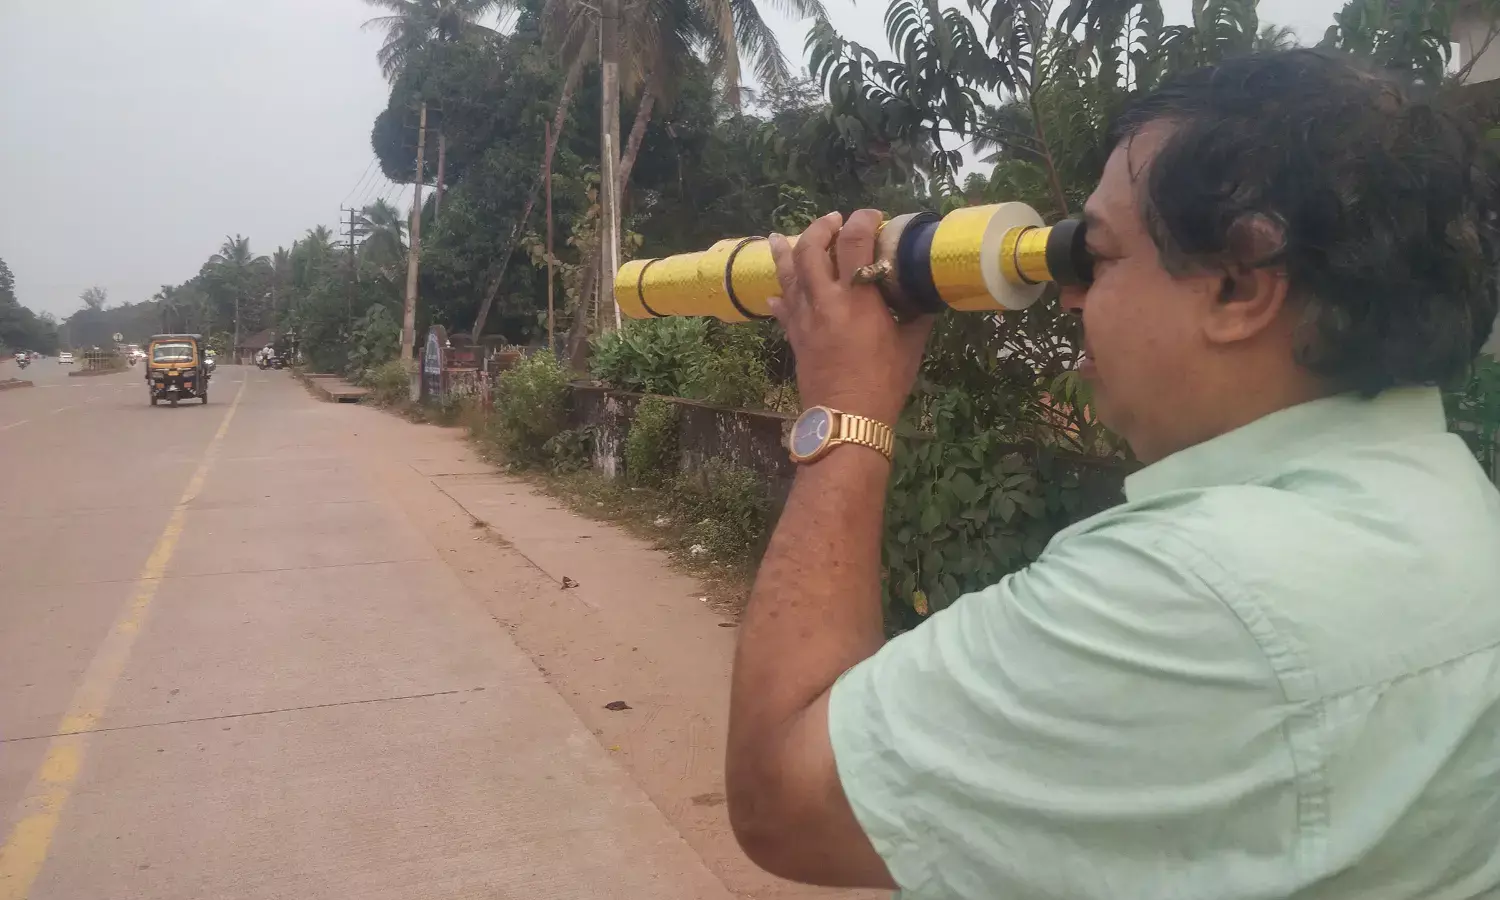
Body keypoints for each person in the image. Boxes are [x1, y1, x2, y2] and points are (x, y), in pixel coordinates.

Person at [725, 49, 1500, 899]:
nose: (1069, 297)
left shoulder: (1196, 592)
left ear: (1239, 286)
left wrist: (844, 407)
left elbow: (783, 796)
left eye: (1094, 257)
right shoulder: (1455, 507)